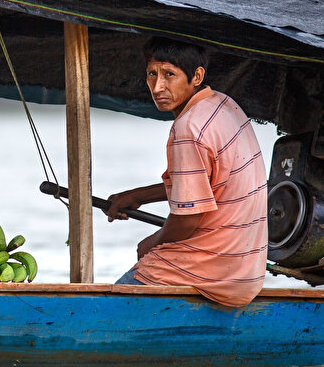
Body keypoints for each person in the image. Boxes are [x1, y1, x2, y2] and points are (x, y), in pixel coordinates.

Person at [105, 37, 267, 307]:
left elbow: (186, 220)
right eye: (152, 75)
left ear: (196, 76)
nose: (158, 87)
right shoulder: (224, 105)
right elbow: (209, 184)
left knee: (111, 305)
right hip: (245, 273)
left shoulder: (189, 129)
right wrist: (138, 196)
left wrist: (152, 243)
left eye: (170, 75)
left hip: (209, 269)